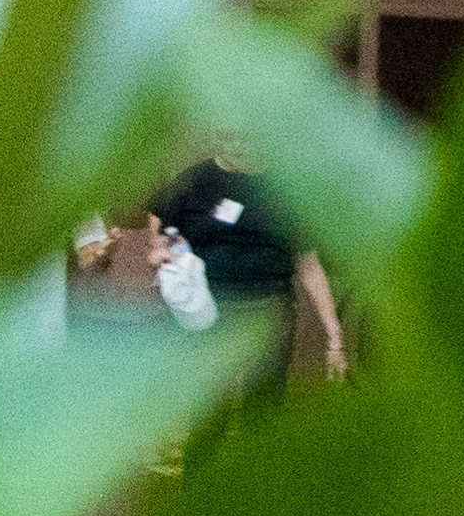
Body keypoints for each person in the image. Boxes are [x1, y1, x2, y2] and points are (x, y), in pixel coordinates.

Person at [148, 149, 345, 377]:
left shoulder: (287, 186)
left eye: (243, 137)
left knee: (260, 402)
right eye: (226, 136)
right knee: (206, 401)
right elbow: (159, 216)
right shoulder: (195, 180)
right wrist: (159, 247)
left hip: (266, 308)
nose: (235, 146)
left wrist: (334, 334)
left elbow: (308, 263)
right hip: (205, 306)